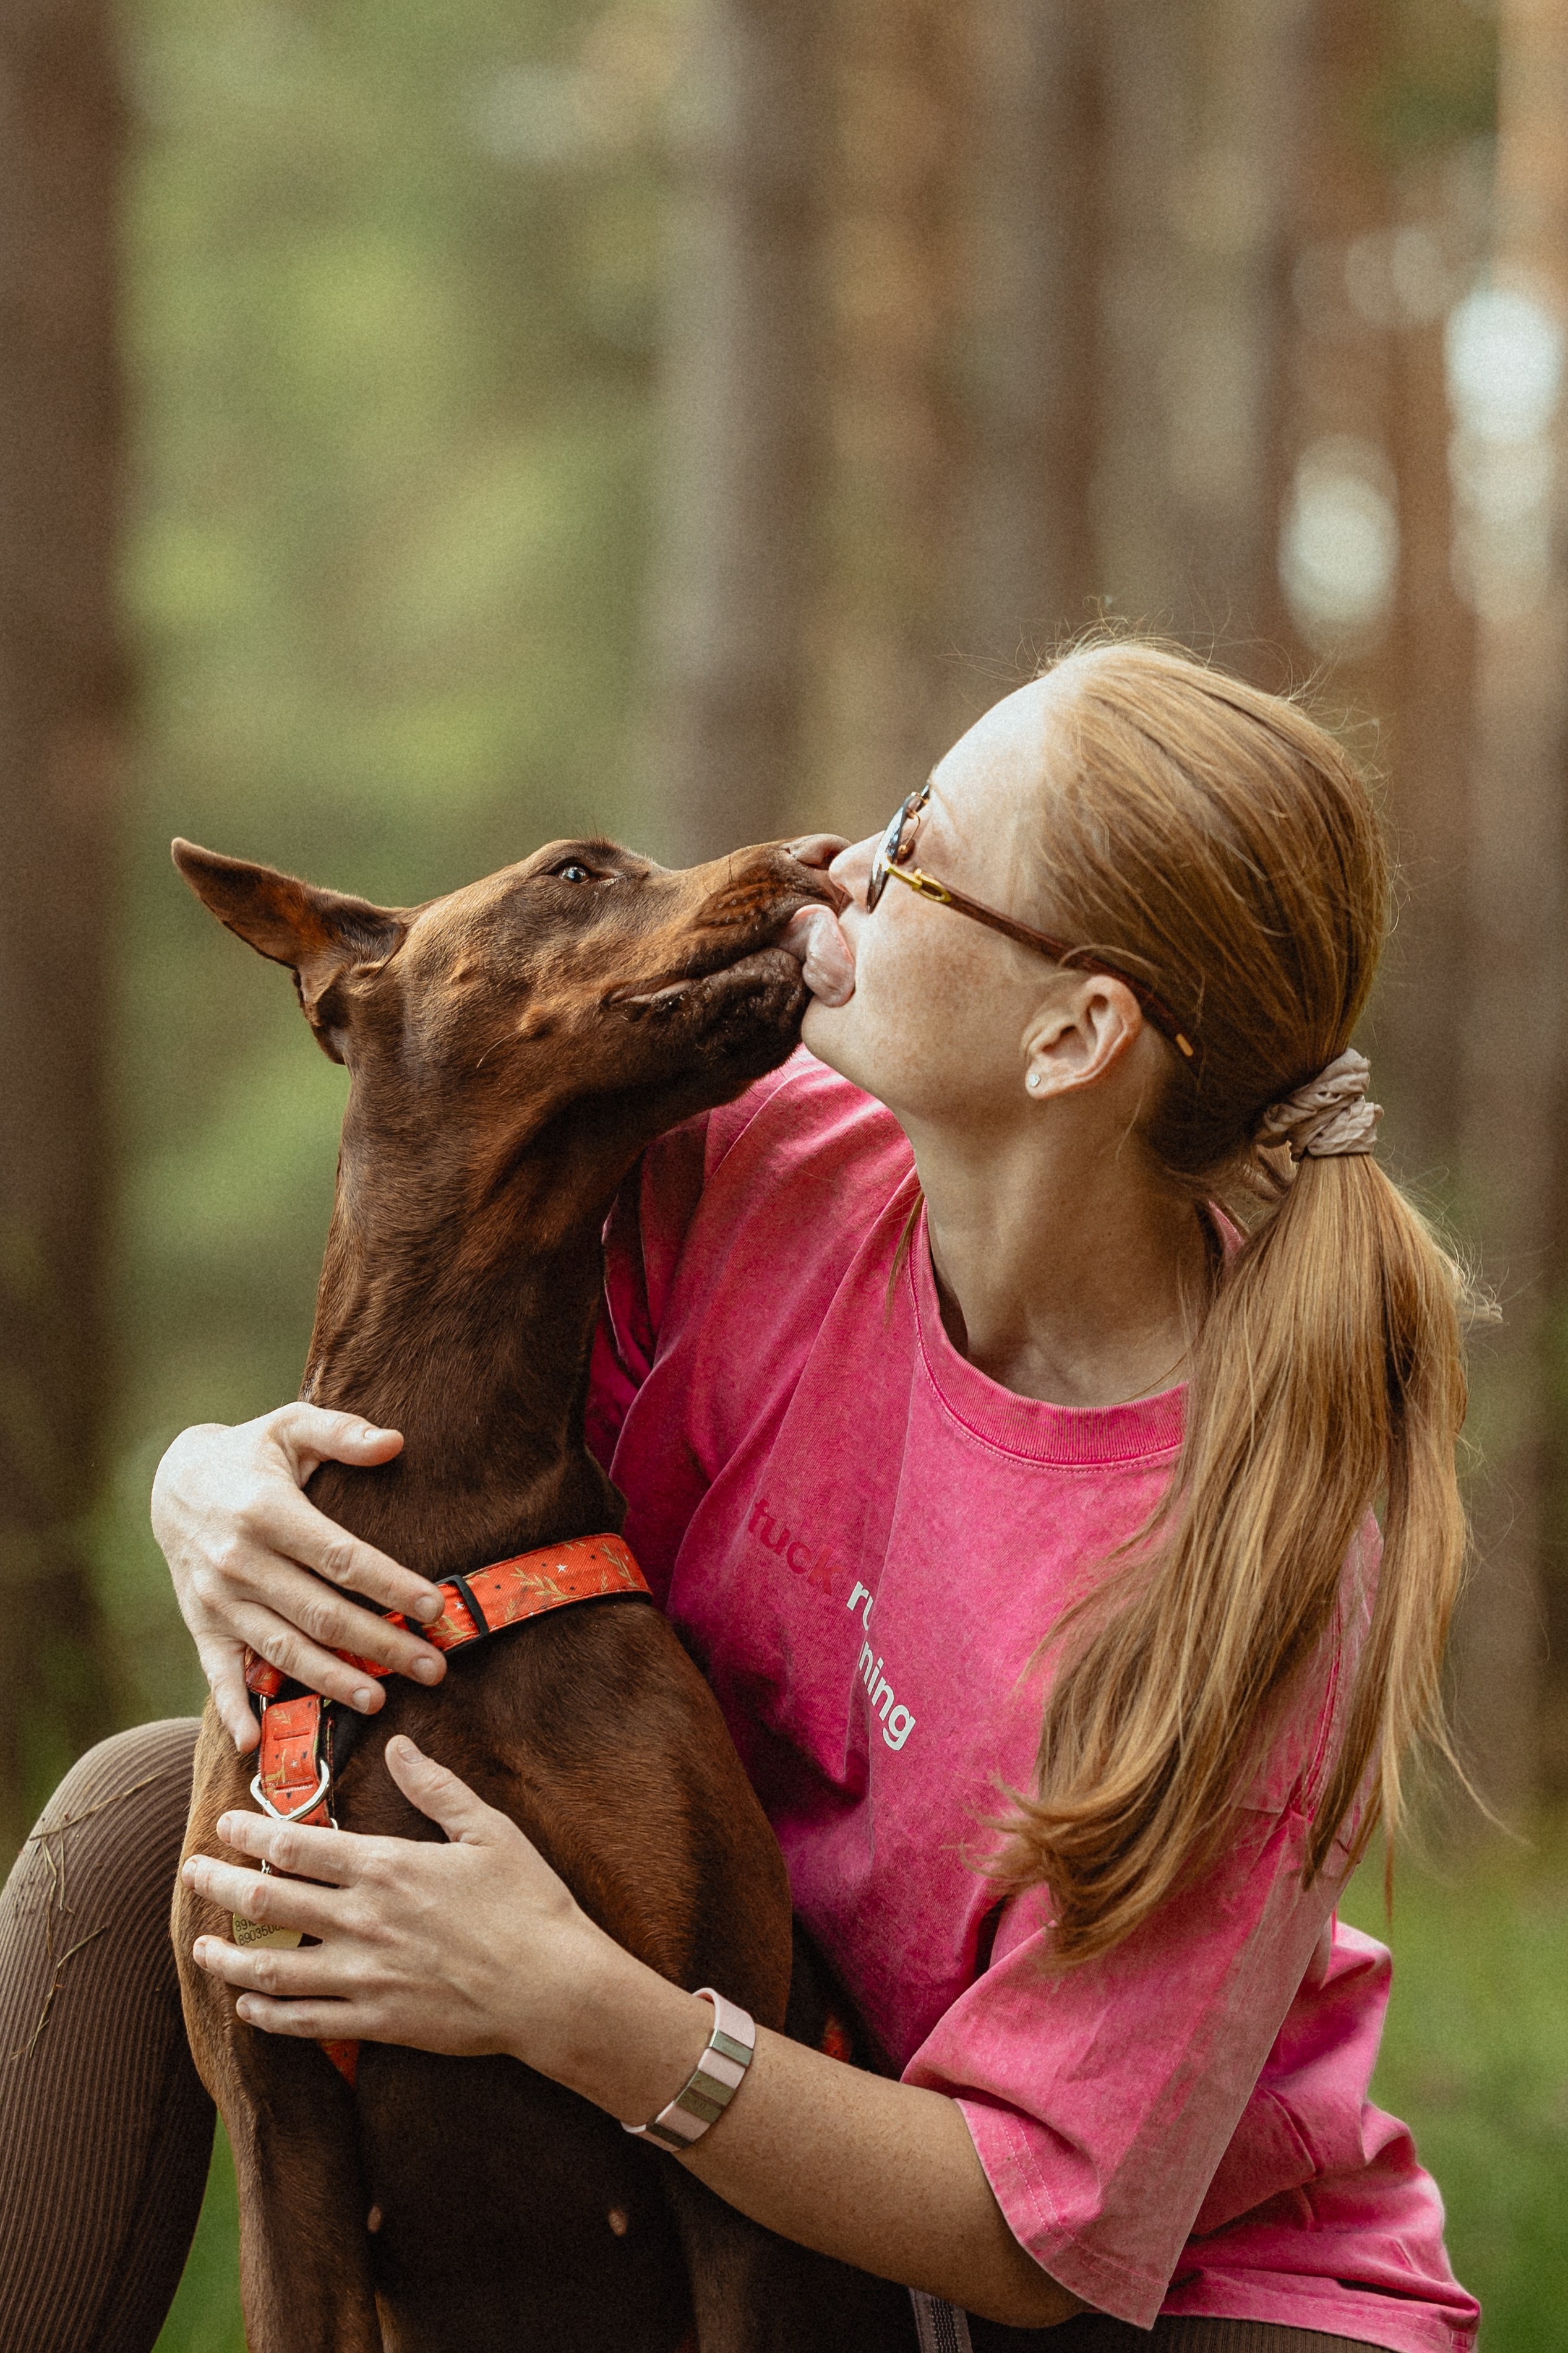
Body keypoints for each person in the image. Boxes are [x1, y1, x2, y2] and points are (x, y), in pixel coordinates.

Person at [0, 643, 1480, 2353]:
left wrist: (587, 2011)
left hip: (1135, 2282)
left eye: (923, 846)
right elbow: (433, 1387)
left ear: (1077, 1033)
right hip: (762, 2068)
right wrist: (202, 1478)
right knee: (139, 1824)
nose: (842, 860)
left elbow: (1026, 2224)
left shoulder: (1245, 1545)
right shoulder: (747, 1173)